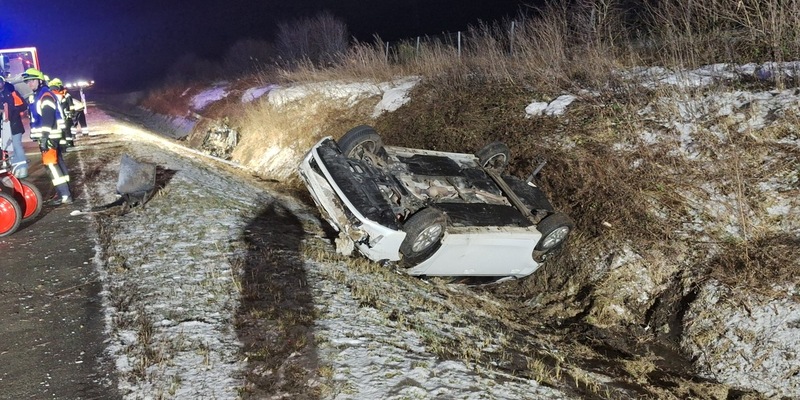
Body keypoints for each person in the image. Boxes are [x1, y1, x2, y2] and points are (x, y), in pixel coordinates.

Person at [22, 68, 72, 205]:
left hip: (49, 136)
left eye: (32, 80)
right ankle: (64, 192)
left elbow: (48, 117)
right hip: (50, 136)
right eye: (28, 81)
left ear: (39, 80)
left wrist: (44, 137)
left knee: (51, 165)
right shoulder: (40, 94)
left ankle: (64, 195)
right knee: (58, 163)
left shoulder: (44, 95)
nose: (30, 84)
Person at [0, 75, 29, 178]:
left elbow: (23, 105)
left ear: (3, 83)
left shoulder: (12, 92)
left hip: (14, 123)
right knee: (9, 148)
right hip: (4, 126)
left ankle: (23, 168)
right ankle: (16, 170)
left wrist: (9, 110)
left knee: (16, 145)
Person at [48, 78, 75, 147]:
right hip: (63, 115)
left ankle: (68, 143)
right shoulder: (60, 94)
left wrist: (71, 112)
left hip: (63, 115)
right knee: (65, 130)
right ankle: (66, 143)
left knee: (66, 130)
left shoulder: (63, 94)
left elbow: (69, 104)